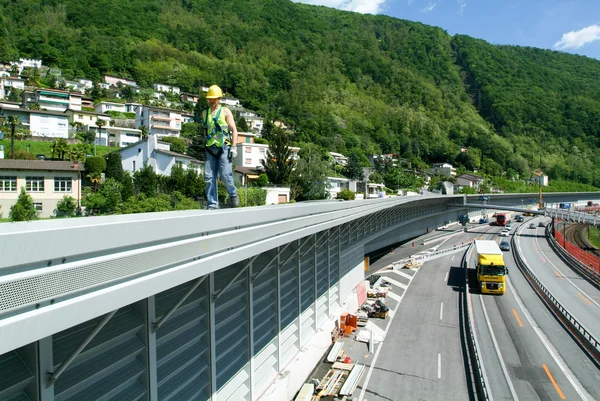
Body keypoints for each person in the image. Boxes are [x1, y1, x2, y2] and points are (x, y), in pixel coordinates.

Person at [200, 85, 239, 209]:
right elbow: (205, 131)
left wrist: (234, 147)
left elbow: (234, 130)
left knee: (225, 175)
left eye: (214, 99)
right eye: (210, 99)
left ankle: (233, 195)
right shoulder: (204, 113)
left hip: (224, 148)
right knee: (209, 177)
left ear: (219, 98)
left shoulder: (225, 111)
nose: (211, 101)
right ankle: (212, 204)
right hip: (210, 148)